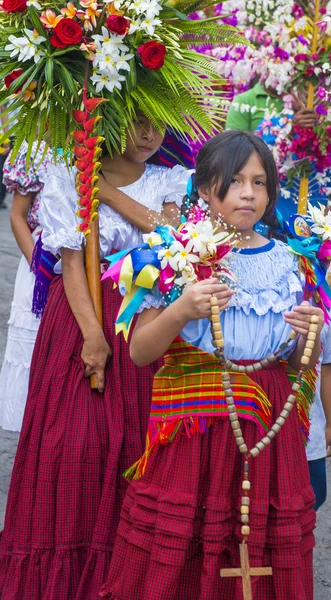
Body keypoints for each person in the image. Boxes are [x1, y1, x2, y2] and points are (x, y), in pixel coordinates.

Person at [101, 130, 325, 600]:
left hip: (266, 437)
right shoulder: (174, 254)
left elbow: (295, 369)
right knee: (187, 545)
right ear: (205, 189)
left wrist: (310, 337)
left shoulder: (291, 263)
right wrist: (182, 309)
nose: (249, 193)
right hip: (195, 437)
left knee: (258, 547)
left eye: (260, 182)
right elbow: (141, 351)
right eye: (236, 180)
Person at [0, 116, 191, 599]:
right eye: (138, 124)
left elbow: (167, 238)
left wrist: (104, 192)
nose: (149, 136)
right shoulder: (69, 173)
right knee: (72, 443)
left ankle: (122, 575)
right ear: (109, 122)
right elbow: (69, 261)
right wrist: (92, 337)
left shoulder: (168, 179)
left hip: (143, 321)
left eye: (158, 127)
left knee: (131, 445)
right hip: (79, 320)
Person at [0, 142, 53, 432]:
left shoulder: (107, 149)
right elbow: (17, 215)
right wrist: (39, 266)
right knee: (35, 354)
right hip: (40, 261)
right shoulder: (37, 150)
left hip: (87, 262)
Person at [307, 321, 331, 511]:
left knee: (313, 495)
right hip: (269, 431)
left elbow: (327, 369)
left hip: (312, 435)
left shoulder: (323, 311)